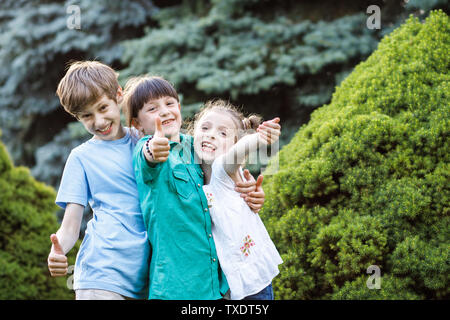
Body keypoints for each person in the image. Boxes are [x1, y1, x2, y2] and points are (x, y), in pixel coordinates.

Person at [123, 75, 266, 299]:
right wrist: (153, 149)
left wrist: (250, 193)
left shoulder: (197, 145)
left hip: (217, 285)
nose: (164, 111)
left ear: (179, 107)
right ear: (137, 124)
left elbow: (226, 177)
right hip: (176, 287)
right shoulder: (148, 147)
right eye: (152, 108)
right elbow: (148, 157)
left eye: (169, 104)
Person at [47, 60, 150, 300]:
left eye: (103, 108)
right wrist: (59, 250)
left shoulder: (146, 142)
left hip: (149, 276)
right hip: (102, 276)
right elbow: (71, 225)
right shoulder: (81, 158)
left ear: (118, 95)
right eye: (86, 116)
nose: (99, 122)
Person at [191, 100, 283, 300]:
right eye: (205, 128)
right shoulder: (194, 176)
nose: (211, 134)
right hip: (228, 284)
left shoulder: (222, 171)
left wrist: (259, 138)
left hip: (252, 283)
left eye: (223, 133)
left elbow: (238, 151)